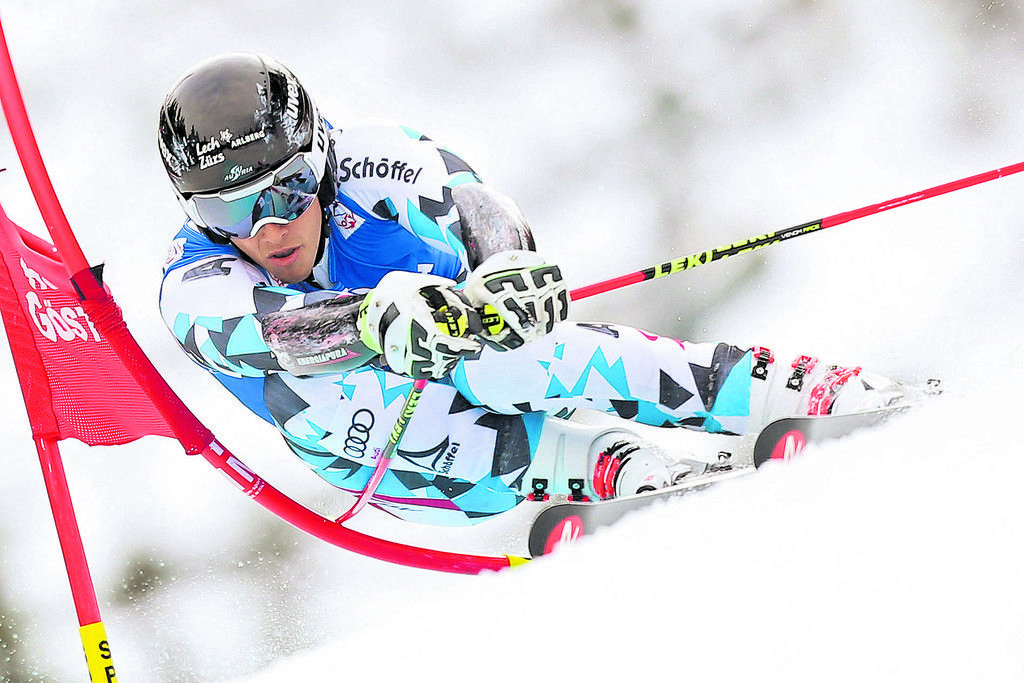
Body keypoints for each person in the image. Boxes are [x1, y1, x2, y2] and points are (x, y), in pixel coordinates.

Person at [158, 53, 917, 526]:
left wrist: (504, 271)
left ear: (318, 156)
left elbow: (476, 204)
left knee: (506, 350)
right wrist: (370, 322)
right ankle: (618, 472)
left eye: (287, 190)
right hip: (390, 463)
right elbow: (274, 335)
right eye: (229, 209)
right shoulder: (192, 281)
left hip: (481, 373)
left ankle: (785, 389)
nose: (266, 228)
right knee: (350, 399)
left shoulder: (374, 159)